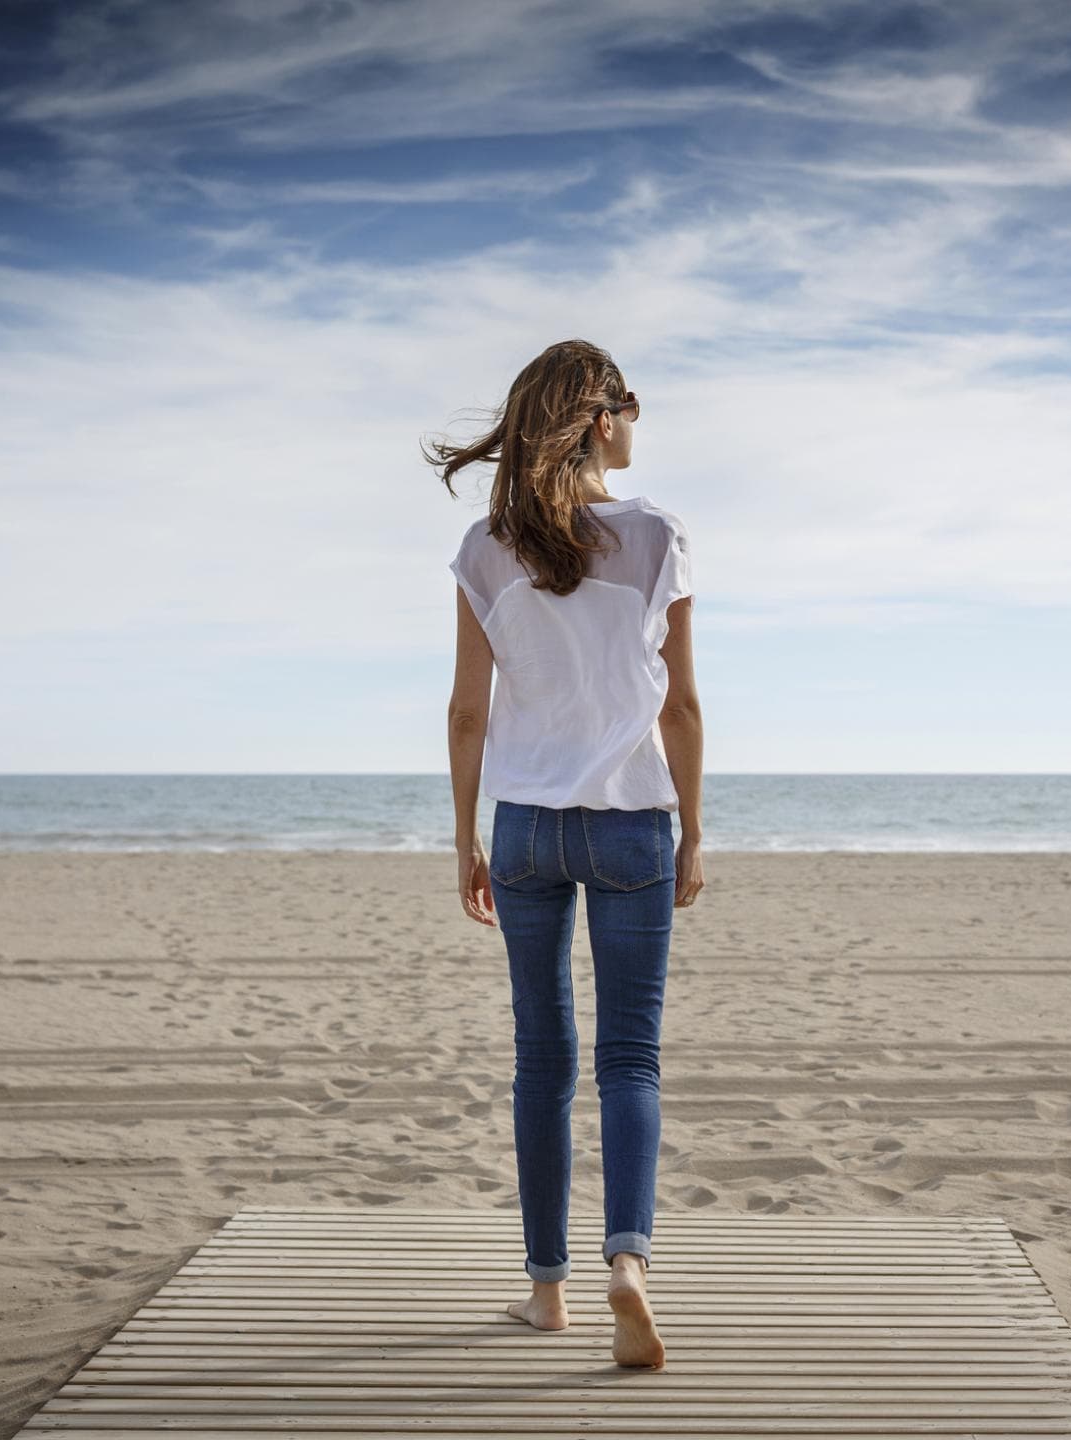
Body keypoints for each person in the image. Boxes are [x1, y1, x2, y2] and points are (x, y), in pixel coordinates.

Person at [424, 339, 703, 1371]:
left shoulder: (484, 547)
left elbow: (465, 711)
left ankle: (548, 1294)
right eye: (628, 405)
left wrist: (465, 838)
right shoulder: (657, 536)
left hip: (527, 827)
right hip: (632, 820)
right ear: (597, 418)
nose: (635, 423)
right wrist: (696, 828)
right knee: (630, 1057)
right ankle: (627, 1266)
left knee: (540, 1060)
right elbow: (679, 703)